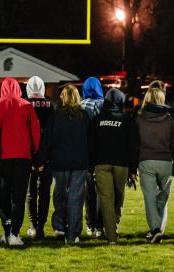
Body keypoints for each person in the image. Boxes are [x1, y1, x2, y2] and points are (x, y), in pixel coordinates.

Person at [0, 76, 41, 246]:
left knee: (3, 195)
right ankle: (14, 233)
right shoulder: (26, 105)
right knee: (18, 197)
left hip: (3, 158)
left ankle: (7, 229)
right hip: (23, 158)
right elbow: (35, 133)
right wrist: (36, 153)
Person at [34, 84, 90, 245]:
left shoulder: (56, 116)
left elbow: (47, 141)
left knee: (59, 194)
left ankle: (59, 226)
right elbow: (90, 141)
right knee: (75, 198)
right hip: (79, 163)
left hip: (59, 162)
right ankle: (72, 233)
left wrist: (40, 160)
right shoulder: (84, 117)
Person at [89, 87, 137, 245]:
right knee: (117, 197)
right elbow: (133, 146)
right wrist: (133, 170)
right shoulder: (126, 119)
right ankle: (112, 229)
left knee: (106, 199)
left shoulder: (97, 119)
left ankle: (111, 234)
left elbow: (91, 144)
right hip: (121, 164)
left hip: (102, 163)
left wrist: (91, 165)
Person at [135, 86, 174, 244]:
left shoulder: (139, 118)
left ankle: (155, 229)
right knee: (162, 199)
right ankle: (158, 229)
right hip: (165, 161)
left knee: (150, 198)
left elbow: (136, 141)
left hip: (146, 160)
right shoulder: (169, 119)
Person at [24, 76, 53, 240]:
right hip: (47, 156)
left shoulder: (25, 106)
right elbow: (52, 135)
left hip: (29, 155)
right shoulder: (51, 107)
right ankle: (41, 226)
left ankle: (33, 226)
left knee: (31, 192)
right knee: (45, 192)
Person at [79, 76, 105, 237]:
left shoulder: (80, 106)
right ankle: (100, 226)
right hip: (102, 153)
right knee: (102, 191)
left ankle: (90, 225)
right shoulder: (104, 105)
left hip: (84, 154)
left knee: (89, 192)